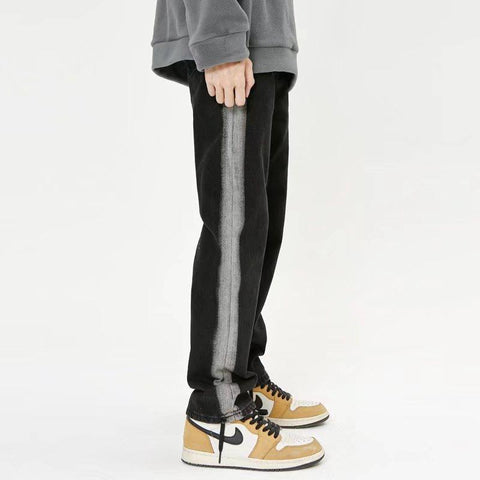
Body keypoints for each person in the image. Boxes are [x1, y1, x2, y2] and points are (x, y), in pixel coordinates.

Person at [151, 0, 329, 471]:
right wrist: (221, 41)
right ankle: (218, 409)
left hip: (262, 46)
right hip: (232, 43)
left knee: (257, 229)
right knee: (234, 230)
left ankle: (243, 377)